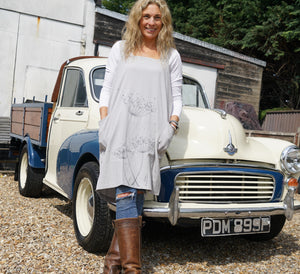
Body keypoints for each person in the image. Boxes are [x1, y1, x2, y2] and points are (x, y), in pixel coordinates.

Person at [96, 0, 182, 272]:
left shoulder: (171, 56)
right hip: (119, 130)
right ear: (137, 18)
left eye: (157, 17)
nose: (151, 22)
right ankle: (132, 268)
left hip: (150, 133)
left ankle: (112, 264)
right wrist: (105, 123)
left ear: (164, 22)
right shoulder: (120, 50)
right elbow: (107, 89)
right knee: (125, 192)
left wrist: (171, 126)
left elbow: (177, 98)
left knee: (134, 195)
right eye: (146, 16)